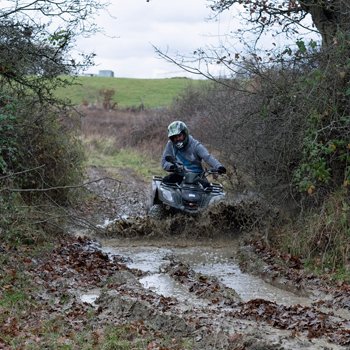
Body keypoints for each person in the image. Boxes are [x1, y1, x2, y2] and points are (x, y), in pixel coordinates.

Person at [161, 120, 226, 185]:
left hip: (198, 177)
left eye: (179, 136)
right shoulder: (170, 144)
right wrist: (172, 167)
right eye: (174, 137)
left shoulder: (195, 145)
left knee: (208, 190)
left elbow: (207, 157)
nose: (177, 139)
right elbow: (164, 162)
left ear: (185, 134)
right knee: (165, 185)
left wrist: (219, 167)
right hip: (179, 175)